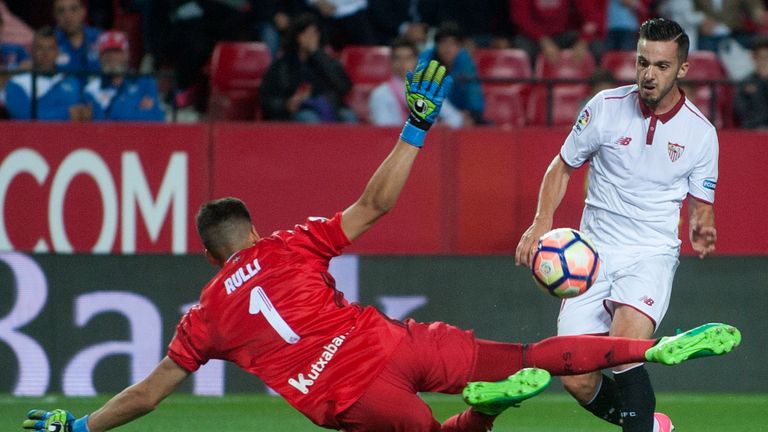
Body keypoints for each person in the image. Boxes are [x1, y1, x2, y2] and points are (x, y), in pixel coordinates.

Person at [21, 60, 740, 432]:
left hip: (357, 399)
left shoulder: (205, 316)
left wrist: (80, 424)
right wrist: (415, 130)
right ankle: (648, 350)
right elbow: (375, 205)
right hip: (396, 343)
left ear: (214, 255)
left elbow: (148, 394)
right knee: (532, 358)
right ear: (254, 233)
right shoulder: (293, 244)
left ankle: (486, 411)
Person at [515, 18, 720, 432]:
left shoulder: (701, 134)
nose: (648, 74)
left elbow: (703, 204)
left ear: (682, 69)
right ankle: (649, 426)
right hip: (591, 256)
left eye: (661, 66)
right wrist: (541, 222)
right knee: (574, 374)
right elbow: (562, 166)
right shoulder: (604, 108)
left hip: (651, 254)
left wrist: (701, 225)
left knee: (623, 351)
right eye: (642, 62)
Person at [260, 13, 356, 123]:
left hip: (327, 107)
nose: (311, 38)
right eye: (306, 34)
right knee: (310, 119)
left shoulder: (326, 60)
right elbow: (267, 99)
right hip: (298, 111)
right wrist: (286, 105)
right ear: (297, 37)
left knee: (349, 116)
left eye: (314, 33)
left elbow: (345, 86)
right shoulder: (282, 65)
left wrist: (317, 54)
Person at [369, 37, 463, 128]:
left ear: (416, 61)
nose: (403, 63)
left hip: (431, 140)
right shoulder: (381, 93)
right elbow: (385, 129)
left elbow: (455, 119)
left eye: (408, 58)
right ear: (391, 62)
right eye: (398, 58)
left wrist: (443, 128)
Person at [4, 26, 88, 121]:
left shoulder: (71, 81)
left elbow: (84, 114)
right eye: (40, 48)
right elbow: (25, 120)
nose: (45, 54)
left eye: (50, 48)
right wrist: (66, 114)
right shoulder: (17, 84)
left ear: (57, 52)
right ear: (32, 51)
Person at [82, 30, 165, 122]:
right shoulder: (91, 89)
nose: (112, 57)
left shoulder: (145, 81)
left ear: (127, 54)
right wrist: (135, 109)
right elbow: (99, 125)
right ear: (100, 57)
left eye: (117, 51)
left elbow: (156, 117)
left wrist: (111, 114)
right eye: (107, 52)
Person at [418, 21, 484, 125]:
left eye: (453, 43)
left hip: (458, 116)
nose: (448, 48)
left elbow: (473, 91)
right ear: (437, 45)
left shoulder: (465, 61)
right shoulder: (426, 58)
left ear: (460, 47)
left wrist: (471, 113)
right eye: (443, 42)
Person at [510, 0, 605, 67]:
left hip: (562, 34)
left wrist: (583, 41)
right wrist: (543, 40)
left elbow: (591, 17)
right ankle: (530, 89)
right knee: (522, 53)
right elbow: (521, 18)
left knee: (596, 48)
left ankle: (595, 88)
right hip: (531, 37)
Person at [53, 0, 102, 78]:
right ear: (55, 15)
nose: (68, 16)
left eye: (74, 9)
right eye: (61, 11)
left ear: (83, 11)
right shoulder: (49, 42)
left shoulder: (100, 38)